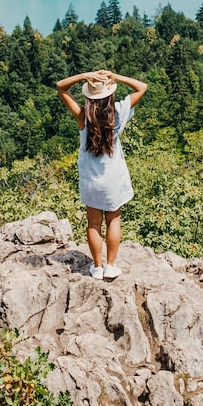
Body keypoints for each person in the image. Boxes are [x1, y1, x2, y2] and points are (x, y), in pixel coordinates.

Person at [56, 68, 148, 280]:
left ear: (89, 97)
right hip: (114, 179)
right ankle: (111, 265)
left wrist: (83, 76)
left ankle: (97, 267)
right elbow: (142, 87)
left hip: (91, 181)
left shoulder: (83, 117)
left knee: (93, 224)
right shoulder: (118, 113)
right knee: (113, 220)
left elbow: (61, 87)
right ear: (110, 96)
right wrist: (115, 77)